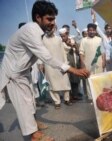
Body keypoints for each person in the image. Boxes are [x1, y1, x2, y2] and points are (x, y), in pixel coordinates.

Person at [0, 1, 89, 140]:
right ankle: (33, 135)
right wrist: (73, 70)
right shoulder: (31, 30)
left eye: (54, 19)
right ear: (38, 17)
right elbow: (46, 56)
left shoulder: (40, 32)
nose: (53, 23)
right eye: (49, 19)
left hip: (23, 72)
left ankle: (33, 123)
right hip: (14, 74)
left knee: (30, 101)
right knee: (24, 104)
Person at [43, 26, 72, 109]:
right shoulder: (43, 39)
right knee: (52, 84)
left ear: (54, 29)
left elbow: (63, 50)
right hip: (49, 65)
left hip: (60, 63)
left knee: (65, 82)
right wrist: (40, 64)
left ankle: (67, 99)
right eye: (47, 28)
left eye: (51, 28)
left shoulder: (59, 39)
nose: (49, 30)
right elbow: (40, 53)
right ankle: (57, 102)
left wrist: (65, 63)